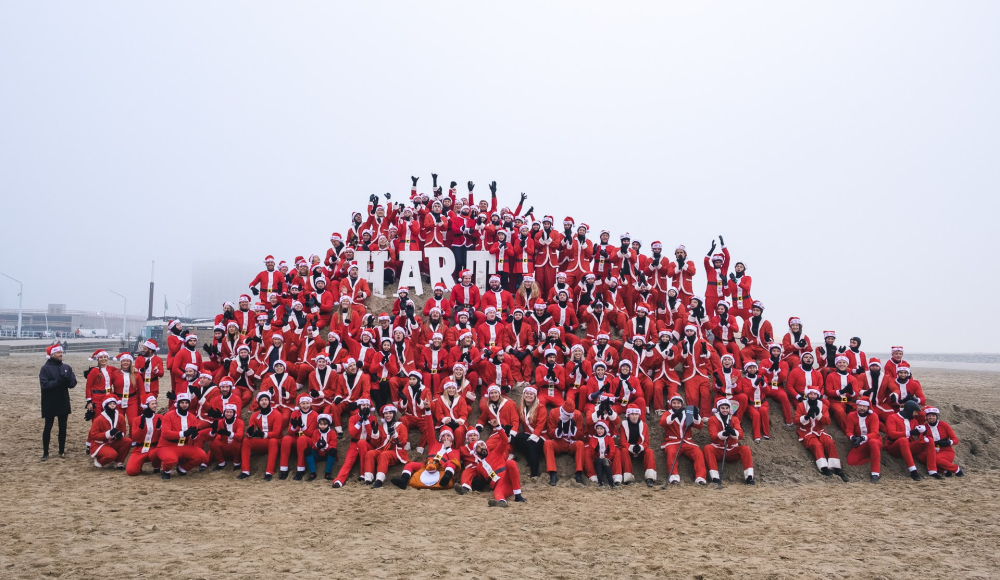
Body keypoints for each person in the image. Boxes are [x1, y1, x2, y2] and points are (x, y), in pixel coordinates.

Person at [795, 388, 848, 481]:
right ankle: (823, 467)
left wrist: (819, 415)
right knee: (816, 445)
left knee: (829, 442)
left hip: (820, 430)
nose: (812, 396)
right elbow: (796, 420)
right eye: (810, 394)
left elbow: (827, 422)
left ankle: (836, 468)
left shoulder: (823, 406)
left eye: (814, 394)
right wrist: (807, 416)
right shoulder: (801, 405)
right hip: (806, 431)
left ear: (818, 396)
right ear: (807, 395)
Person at [465, 430, 526, 506]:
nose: (481, 448)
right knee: (497, 493)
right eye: (478, 447)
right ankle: (501, 502)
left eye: (482, 445)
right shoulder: (479, 467)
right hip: (498, 485)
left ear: (485, 446)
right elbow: (481, 481)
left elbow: (504, 441)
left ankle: (518, 496)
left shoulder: (495, 452)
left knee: (510, 463)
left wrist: (498, 427)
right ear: (476, 451)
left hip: (507, 477)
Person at [157, 392, 210, 479]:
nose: (184, 405)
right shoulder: (168, 415)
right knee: (171, 460)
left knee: (202, 455)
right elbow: (165, 433)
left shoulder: (192, 417)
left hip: (184, 445)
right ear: (177, 403)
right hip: (167, 445)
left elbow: (193, 437)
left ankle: (182, 468)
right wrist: (184, 433)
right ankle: (166, 471)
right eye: (182, 403)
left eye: (186, 403)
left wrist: (194, 436)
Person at [704, 399, 755, 485]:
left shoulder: (734, 419)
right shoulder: (712, 420)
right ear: (718, 409)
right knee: (707, 448)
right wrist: (724, 433)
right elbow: (713, 437)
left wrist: (732, 431)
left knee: (746, 449)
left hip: (732, 449)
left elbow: (741, 435)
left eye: (727, 408)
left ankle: (749, 477)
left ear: (729, 409)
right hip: (718, 450)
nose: (725, 410)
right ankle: (715, 477)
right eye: (722, 408)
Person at [885, 401, 940, 481]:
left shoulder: (913, 421)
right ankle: (913, 470)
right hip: (894, 447)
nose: (916, 414)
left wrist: (923, 433)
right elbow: (891, 434)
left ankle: (932, 470)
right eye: (915, 412)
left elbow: (921, 436)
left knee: (929, 440)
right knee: (903, 440)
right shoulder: (892, 417)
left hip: (908, 447)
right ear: (909, 410)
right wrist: (909, 432)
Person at [659, 395, 707, 485]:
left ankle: (700, 477)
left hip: (687, 441)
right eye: (674, 403)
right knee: (671, 453)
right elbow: (662, 423)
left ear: (682, 403)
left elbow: (699, 426)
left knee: (698, 453)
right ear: (670, 404)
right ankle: (674, 477)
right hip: (672, 442)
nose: (676, 405)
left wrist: (696, 416)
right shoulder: (667, 413)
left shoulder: (687, 413)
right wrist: (674, 415)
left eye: (678, 403)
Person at [39, 344, 76, 460]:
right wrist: (59, 381)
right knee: (48, 427)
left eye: (61, 352)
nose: (61, 354)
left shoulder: (66, 367)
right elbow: (45, 385)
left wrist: (68, 382)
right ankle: (45, 452)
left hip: (63, 400)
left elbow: (73, 382)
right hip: (49, 401)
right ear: (51, 354)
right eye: (58, 352)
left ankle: (61, 450)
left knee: (63, 427)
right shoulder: (45, 369)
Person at [238, 392, 285, 481]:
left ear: (269, 401)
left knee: (273, 441)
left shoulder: (277, 414)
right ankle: (245, 471)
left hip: (276, 441)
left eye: (266, 400)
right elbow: (250, 431)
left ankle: (269, 472)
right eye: (262, 400)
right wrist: (249, 433)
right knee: (246, 441)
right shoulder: (255, 415)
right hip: (264, 441)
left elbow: (276, 433)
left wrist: (263, 434)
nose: (264, 402)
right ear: (259, 402)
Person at [844, 397, 882, 483]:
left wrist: (862, 438)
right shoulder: (851, 415)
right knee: (851, 461)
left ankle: (875, 473)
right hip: (860, 442)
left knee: (873, 442)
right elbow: (848, 431)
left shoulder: (873, 416)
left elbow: (875, 433)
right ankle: (873, 459)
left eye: (864, 406)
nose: (862, 408)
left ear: (868, 407)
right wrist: (852, 437)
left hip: (874, 441)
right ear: (857, 406)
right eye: (860, 405)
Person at [87, 397, 132, 469]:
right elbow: (93, 435)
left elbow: (123, 431)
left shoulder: (120, 417)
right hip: (99, 444)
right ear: (105, 405)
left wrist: (119, 435)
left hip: (112, 442)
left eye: (114, 403)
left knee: (127, 441)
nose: (112, 405)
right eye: (110, 404)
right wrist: (108, 434)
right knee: (113, 455)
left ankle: (119, 462)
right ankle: (99, 461)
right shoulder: (98, 419)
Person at [619, 404, 657, 486]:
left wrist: (641, 447)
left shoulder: (644, 425)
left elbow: (646, 442)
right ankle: (628, 478)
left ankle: (650, 478)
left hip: (640, 448)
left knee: (649, 451)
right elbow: (622, 441)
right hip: (629, 448)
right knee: (624, 451)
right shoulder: (623, 425)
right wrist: (631, 447)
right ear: (628, 415)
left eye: (636, 414)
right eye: (632, 414)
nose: (634, 416)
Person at [922, 407, 964, 477]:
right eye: (929, 416)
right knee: (921, 457)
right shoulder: (924, 427)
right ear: (926, 417)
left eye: (933, 416)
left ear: (936, 417)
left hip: (947, 451)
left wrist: (948, 442)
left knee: (936, 459)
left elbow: (955, 440)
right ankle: (944, 470)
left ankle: (956, 469)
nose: (931, 418)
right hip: (932, 450)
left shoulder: (944, 425)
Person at [126, 396, 162, 476]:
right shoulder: (137, 420)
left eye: (155, 403)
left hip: (154, 448)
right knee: (131, 471)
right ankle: (138, 466)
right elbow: (134, 437)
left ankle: (156, 467)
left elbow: (163, 435)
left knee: (156, 453)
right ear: (146, 406)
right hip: (139, 449)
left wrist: (159, 428)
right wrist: (141, 428)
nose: (155, 405)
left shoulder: (159, 417)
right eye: (152, 404)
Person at [208, 403, 245, 471]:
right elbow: (212, 438)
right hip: (224, 446)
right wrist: (213, 432)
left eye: (231, 412)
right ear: (224, 412)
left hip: (235, 448)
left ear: (234, 413)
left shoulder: (240, 422)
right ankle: (221, 462)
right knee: (213, 443)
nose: (228, 414)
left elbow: (240, 436)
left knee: (237, 442)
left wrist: (228, 433)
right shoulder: (220, 422)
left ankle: (237, 463)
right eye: (227, 412)